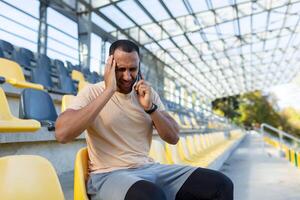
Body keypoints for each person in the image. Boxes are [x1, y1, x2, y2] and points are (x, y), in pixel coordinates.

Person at [55, 39, 233, 200]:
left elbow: (173, 137)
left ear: (139, 66)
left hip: (149, 169)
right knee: (150, 196)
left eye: (132, 69)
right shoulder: (92, 92)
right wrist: (109, 90)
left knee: (220, 185)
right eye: (120, 69)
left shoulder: (147, 93)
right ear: (109, 66)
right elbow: (62, 134)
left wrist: (150, 108)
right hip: (108, 175)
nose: (127, 76)